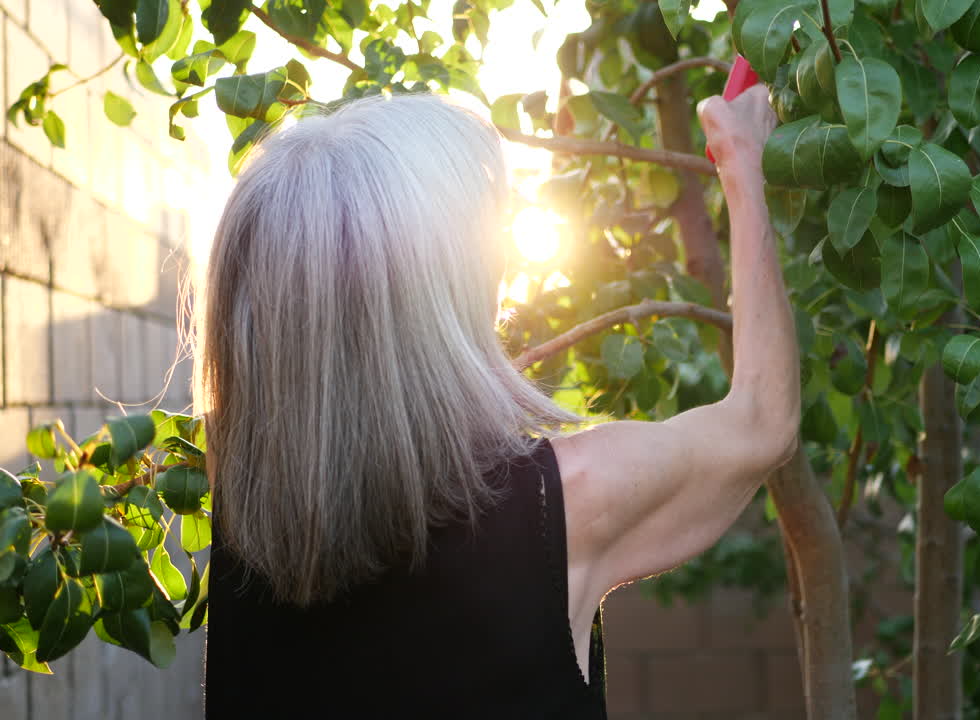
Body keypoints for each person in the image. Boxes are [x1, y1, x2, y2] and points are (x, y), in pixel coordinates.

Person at [201, 84, 798, 718]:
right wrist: (744, 163)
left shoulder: (240, 495)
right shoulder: (563, 505)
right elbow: (762, 422)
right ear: (436, 303)